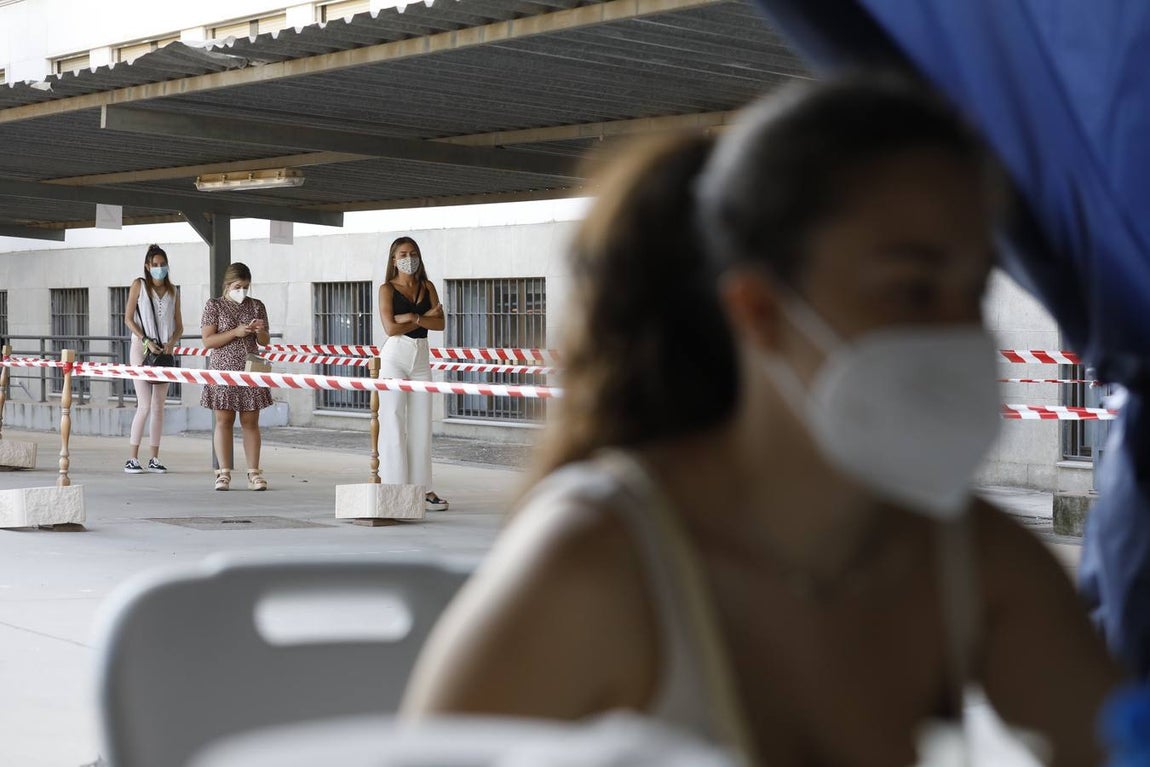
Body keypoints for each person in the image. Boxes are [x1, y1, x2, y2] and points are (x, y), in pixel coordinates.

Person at [401, 78, 1124, 765]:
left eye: (974, 291)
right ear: (759, 311)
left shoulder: (972, 562)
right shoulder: (593, 568)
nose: (960, 335)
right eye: (912, 288)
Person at [377, 236, 449, 512]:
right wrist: (422, 317)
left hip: (421, 357)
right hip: (394, 356)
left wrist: (412, 317)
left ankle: (423, 489)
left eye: (413, 253)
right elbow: (390, 328)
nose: (409, 258)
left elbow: (440, 324)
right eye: (403, 254)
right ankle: (396, 490)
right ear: (394, 260)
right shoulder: (387, 289)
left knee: (421, 424)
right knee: (393, 419)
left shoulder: (427, 286)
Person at [200, 262, 272, 491]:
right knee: (224, 420)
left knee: (250, 421)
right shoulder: (214, 306)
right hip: (223, 369)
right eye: (238, 286)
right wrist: (235, 332)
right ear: (228, 285)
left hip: (251, 368)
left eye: (246, 287)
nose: (242, 291)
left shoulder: (257, 306)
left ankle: (254, 472)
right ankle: (223, 473)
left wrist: (259, 331)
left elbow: (265, 341)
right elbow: (208, 340)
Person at [122, 243, 183, 474]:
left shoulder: (173, 291)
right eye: (155, 264)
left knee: (158, 406)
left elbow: (179, 326)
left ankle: (154, 458)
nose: (159, 268)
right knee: (145, 404)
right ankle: (132, 458)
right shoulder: (139, 285)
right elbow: (128, 318)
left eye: (163, 264)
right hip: (141, 349)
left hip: (164, 352)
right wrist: (145, 340)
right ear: (147, 266)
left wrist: (171, 343)